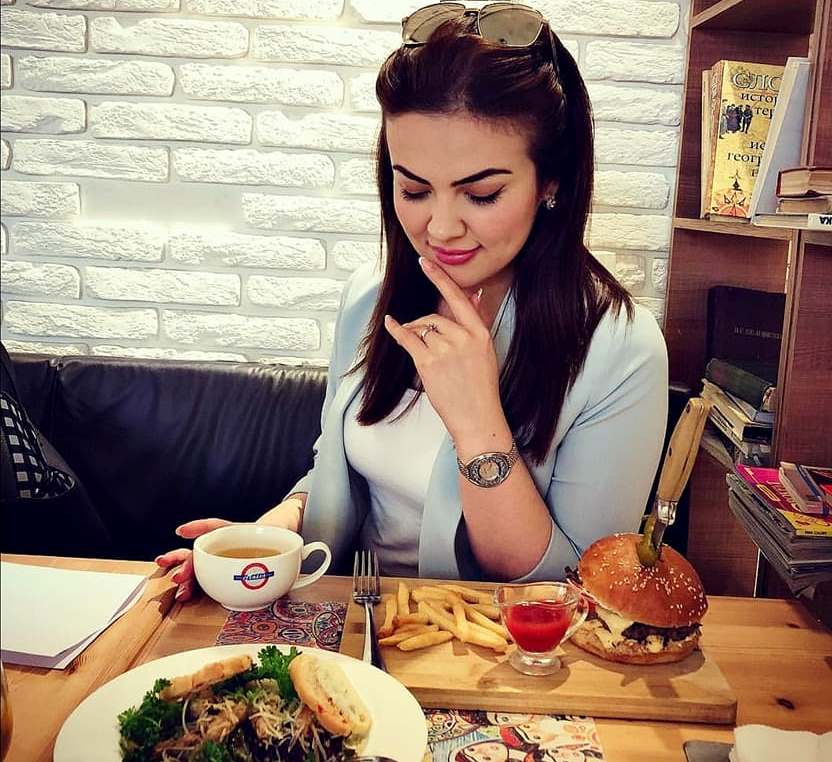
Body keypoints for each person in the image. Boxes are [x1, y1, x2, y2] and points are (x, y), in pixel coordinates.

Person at [157, 2, 668, 601]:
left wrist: (476, 419)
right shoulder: (369, 297)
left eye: (482, 193)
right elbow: (337, 473)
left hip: (488, 646)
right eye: (414, 189)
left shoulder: (619, 348)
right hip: (352, 621)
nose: (441, 228)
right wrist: (264, 544)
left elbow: (576, 584)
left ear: (550, 181)